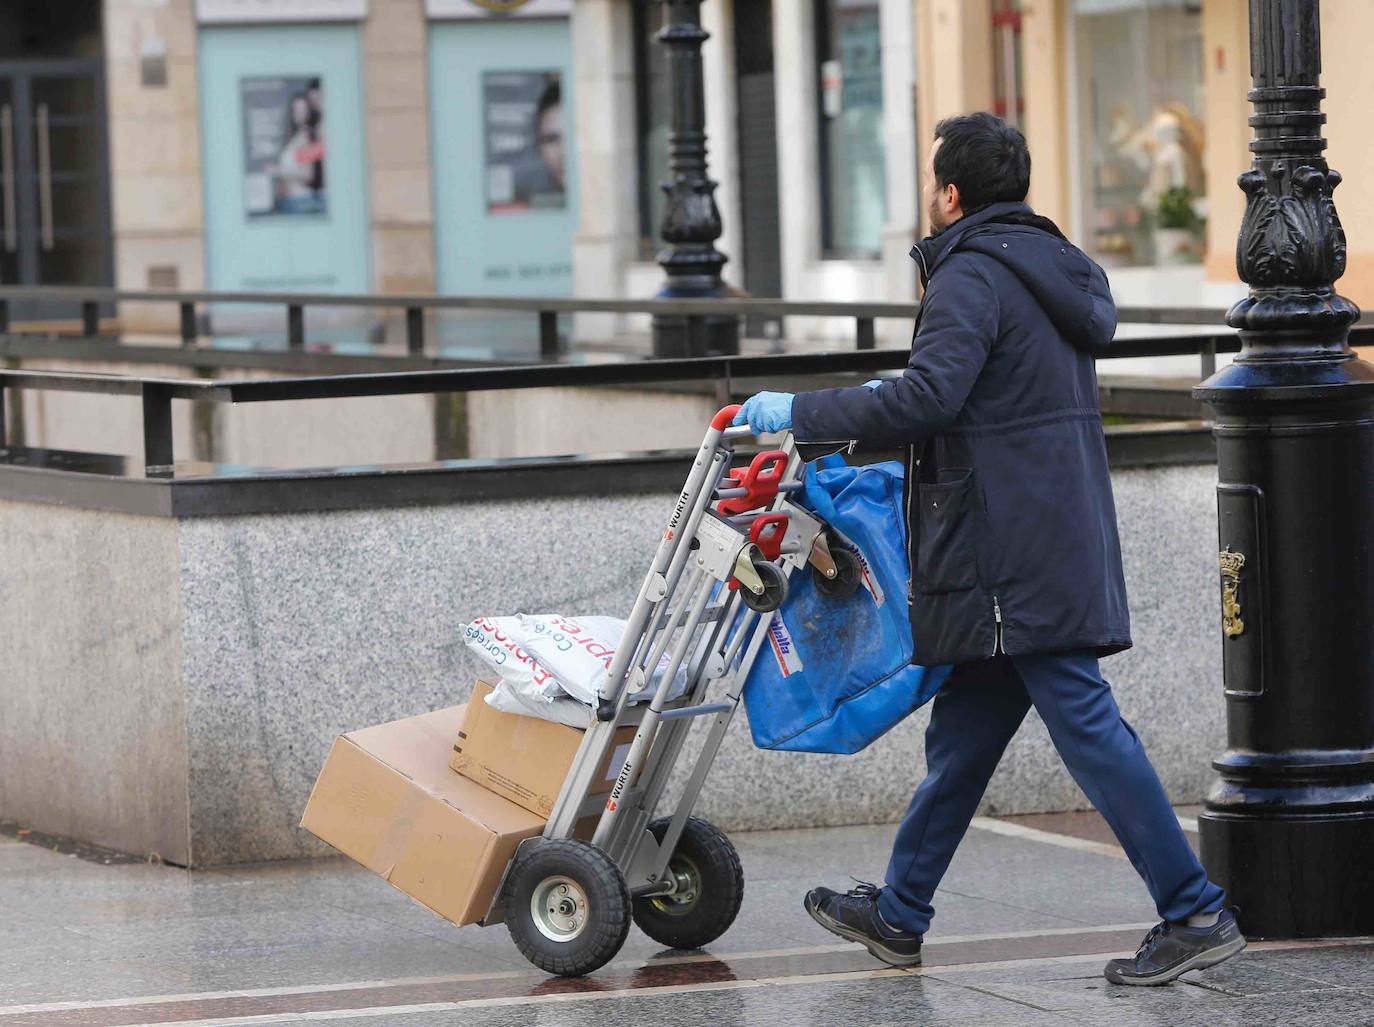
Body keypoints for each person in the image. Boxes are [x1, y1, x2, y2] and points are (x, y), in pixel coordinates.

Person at [732, 112, 1246, 987]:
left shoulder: (972, 274)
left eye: (935, 180)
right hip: (1033, 530)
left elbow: (928, 396)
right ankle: (899, 912)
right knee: (966, 732)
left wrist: (800, 415)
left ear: (953, 192)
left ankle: (1194, 906)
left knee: (1086, 722)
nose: (930, 195)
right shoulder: (1044, 267)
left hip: (1010, 548)